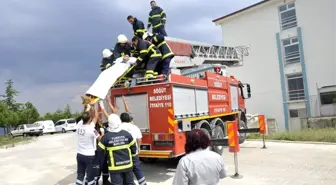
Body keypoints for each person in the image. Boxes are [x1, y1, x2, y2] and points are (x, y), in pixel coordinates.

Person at [98, 114, 137, 185]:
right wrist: (133, 156)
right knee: (130, 183)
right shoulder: (127, 134)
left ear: (109, 124)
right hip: (128, 166)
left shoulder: (106, 137)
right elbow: (134, 148)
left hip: (115, 168)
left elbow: (100, 150)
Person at [118, 96, 147, 185]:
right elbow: (139, 139)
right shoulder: (134, 127)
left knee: (125, 171)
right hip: (133, 152)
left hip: (122, 153)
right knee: (137, 169)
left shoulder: (118, 127)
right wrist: (138, 148)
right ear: (130, 119)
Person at [76, 104, 104, 185]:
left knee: (80, 175)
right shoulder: (92, 130)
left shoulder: (79, 125)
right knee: (90, 176)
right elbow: (100, 139)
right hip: (89, 156)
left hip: (79, 154)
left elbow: (86, 117)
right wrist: (102, 133)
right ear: (90, 119)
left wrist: (88, 108)